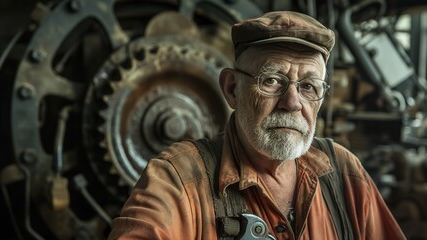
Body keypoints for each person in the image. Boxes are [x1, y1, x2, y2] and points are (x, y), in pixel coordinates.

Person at [107, 11, 406, 240]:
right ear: (232, 89)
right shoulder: (179, 179)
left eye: (309, 87)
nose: (292, 102)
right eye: (272, 80)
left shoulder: (343, 172)